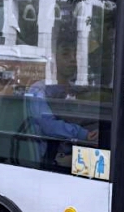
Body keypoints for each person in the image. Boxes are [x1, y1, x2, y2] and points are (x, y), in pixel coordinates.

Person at [25, 26, 98, 166]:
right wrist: (84, 134)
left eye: (75, 54)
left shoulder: (76, 90)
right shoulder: (38, 89)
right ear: (53, 58)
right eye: (66, 54)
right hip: (55, 158)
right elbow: (48, 125)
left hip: (79, 148)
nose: (73, 59)